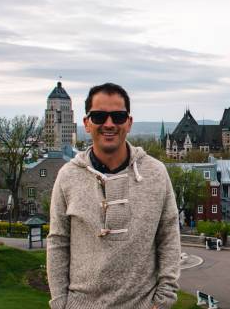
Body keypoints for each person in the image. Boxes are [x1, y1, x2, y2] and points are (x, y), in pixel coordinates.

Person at [47, 83, 181, 309]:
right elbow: (58, 242)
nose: (109, 124)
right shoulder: (67, 176)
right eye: (99, 116)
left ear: (128, 122)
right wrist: (61, 303)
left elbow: (169, 235)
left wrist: (163, 300)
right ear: (86, 123)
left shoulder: (156, 173)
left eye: (118, 116)